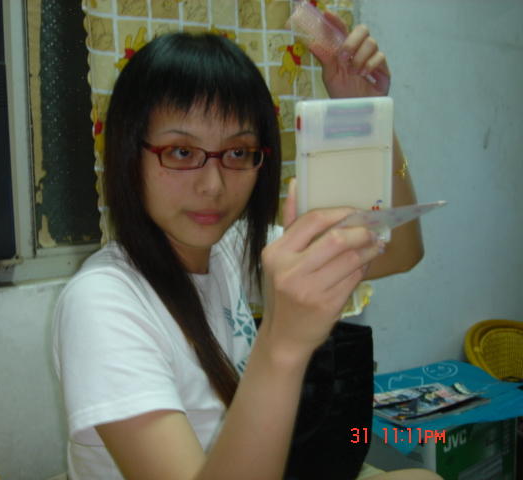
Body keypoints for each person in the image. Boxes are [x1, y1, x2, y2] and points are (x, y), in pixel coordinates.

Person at [53, 11, 440, 480]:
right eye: (181, 152)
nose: (213, 186)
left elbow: (399, 251)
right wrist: (283, 342)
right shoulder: (102, 302)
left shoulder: (229, 248)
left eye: (237, 153)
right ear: (128, 154)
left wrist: (369, 112)